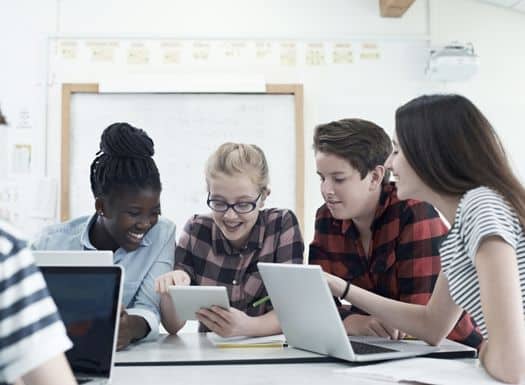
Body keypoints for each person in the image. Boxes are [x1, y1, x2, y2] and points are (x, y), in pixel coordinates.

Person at [325, 95, 525, 383]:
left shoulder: (481, 208)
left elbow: (511, 364)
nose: (390, 164)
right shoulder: (458, 232)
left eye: (396, 151)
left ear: (430, 153)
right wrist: (340, 288)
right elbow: (432, 326)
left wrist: (484, 350)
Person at [311, 118, 482, 348]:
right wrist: (350, 320)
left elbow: (422, 324)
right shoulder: (326, 217)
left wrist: (346, 294)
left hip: (449, 351)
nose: (326, 190)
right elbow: (316, 303)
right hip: (378, 347)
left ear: (374, 177)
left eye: (338, 179)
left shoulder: (414, 212)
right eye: (321, 178)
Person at [32, 122, 176, 350]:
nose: (146, 223)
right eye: (134, 213)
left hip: (129, 361)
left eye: (155, 212)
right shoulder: (49, 243)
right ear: (101, 207)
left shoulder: (163, 233)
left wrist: (129, 329)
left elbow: (148, 307)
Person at [155, 142, 304, 337]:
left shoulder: (282, 225)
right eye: (218, 202)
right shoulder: (196, 230)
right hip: (212, 356)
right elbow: (173, 326)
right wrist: (169, 292)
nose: (230, 216)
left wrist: (249, 327)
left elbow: (294, 311)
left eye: (243, 204)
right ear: (208, 191)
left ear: (263, 196)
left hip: (270, 353)